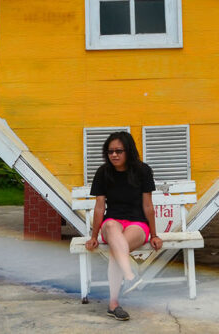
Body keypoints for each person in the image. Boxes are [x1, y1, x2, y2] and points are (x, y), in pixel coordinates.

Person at [84, 131, 163, 321]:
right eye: (110, 151)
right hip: (112, 223)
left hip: (137, 223)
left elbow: (147, 206)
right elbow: (99, 208)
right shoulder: (104, 172)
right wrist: (94, 236)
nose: (114, 155)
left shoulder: (142, 171)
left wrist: (154, 234)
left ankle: (113, 304)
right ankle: (130, 275)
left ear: (128, 151)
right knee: (111, 229)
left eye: (119, 151)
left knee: (116, 249)